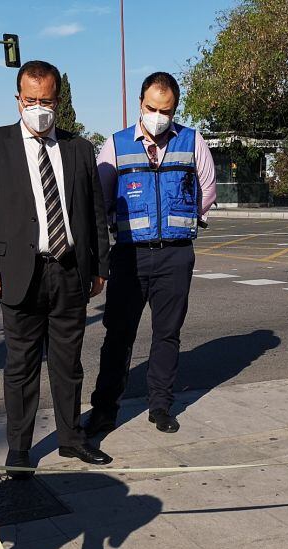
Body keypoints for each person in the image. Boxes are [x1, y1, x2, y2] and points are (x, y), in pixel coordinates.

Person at [0, 60, 112, 475]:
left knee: (69, 364)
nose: (38, 108)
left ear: (57, 101)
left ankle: (71, 439)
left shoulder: (79, 149)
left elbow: (95, 213)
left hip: (69, 270)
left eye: (45, 101)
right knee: (21, 367)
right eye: (30, 100)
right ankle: (19, 449)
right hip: (19, 274)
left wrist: (100, 266)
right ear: (18, 99)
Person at [85, 72, 217, 436]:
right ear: (140, 104)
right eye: (151, 108)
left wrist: (186, 219)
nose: (158, 116)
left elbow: (207, 188)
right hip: (129, 256)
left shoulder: (192, 141)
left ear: (175, 109)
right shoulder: (116, 145)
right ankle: (104, 410)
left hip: (176, 255)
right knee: (118, 335)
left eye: (166, 110)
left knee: (167, 335)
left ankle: (160, 406)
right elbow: (100, 197)